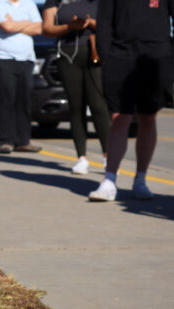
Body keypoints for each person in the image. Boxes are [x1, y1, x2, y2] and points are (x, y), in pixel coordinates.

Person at [89, 0, 174, 201]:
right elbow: (104, 20)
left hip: (157, 59)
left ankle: (140, 179)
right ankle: (109, 180)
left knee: (148, 117)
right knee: (120, 116)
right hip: (120, 57)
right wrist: (105, 55)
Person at [42, 0, 110, 174]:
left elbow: (114, 25)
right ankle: (81, 157)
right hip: (67, 55)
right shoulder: (56, 2)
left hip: (95, 52)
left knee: (98, 105)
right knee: (76, 106)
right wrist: (70, 27)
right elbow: (47, 29)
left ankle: (108, 157)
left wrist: (93, 24)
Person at [0, 0, 44, 154]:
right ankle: (6, 141)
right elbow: (6, 27)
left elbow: (39, 28)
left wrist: (16, 24)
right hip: (4, 58)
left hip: (26, 59)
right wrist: (27, 23)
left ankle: (23, 141)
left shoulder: (29, 4)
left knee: (24, 100)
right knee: (7, 99)